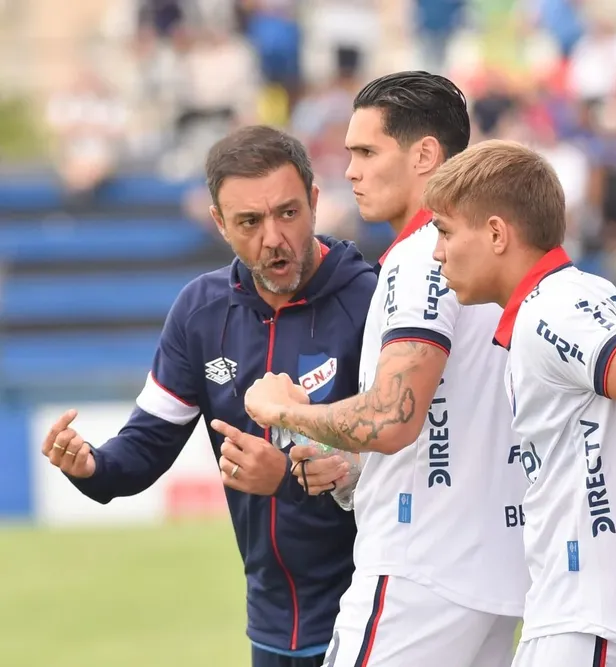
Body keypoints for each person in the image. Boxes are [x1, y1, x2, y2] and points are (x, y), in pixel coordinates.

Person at [40, 125, 376, 667]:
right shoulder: (201, 311)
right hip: (269, 625)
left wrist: (288, 479)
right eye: (249, 221)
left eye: (287, 213)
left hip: (370, 615)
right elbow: (144, 447)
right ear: (219, 223)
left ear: (315, 202)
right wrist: (91, 467)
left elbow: (406, 466)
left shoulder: (372, 301)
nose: (273, 237)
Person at [242, 72, 530, 667]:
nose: (349, 170)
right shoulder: (483, 257)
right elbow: (447, 415)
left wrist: (285, 410)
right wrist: (356, 469)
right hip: (491, 572)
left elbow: (395, 414)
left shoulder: (422, 256)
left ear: (426, 154)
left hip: (421, 568)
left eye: (367, 152)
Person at [421, 138, 616, 666]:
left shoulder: (553, 311)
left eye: (445, 231)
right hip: (604, 625)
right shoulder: (576, 295)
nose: (437, 252)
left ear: (496, 233)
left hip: (590, 631)